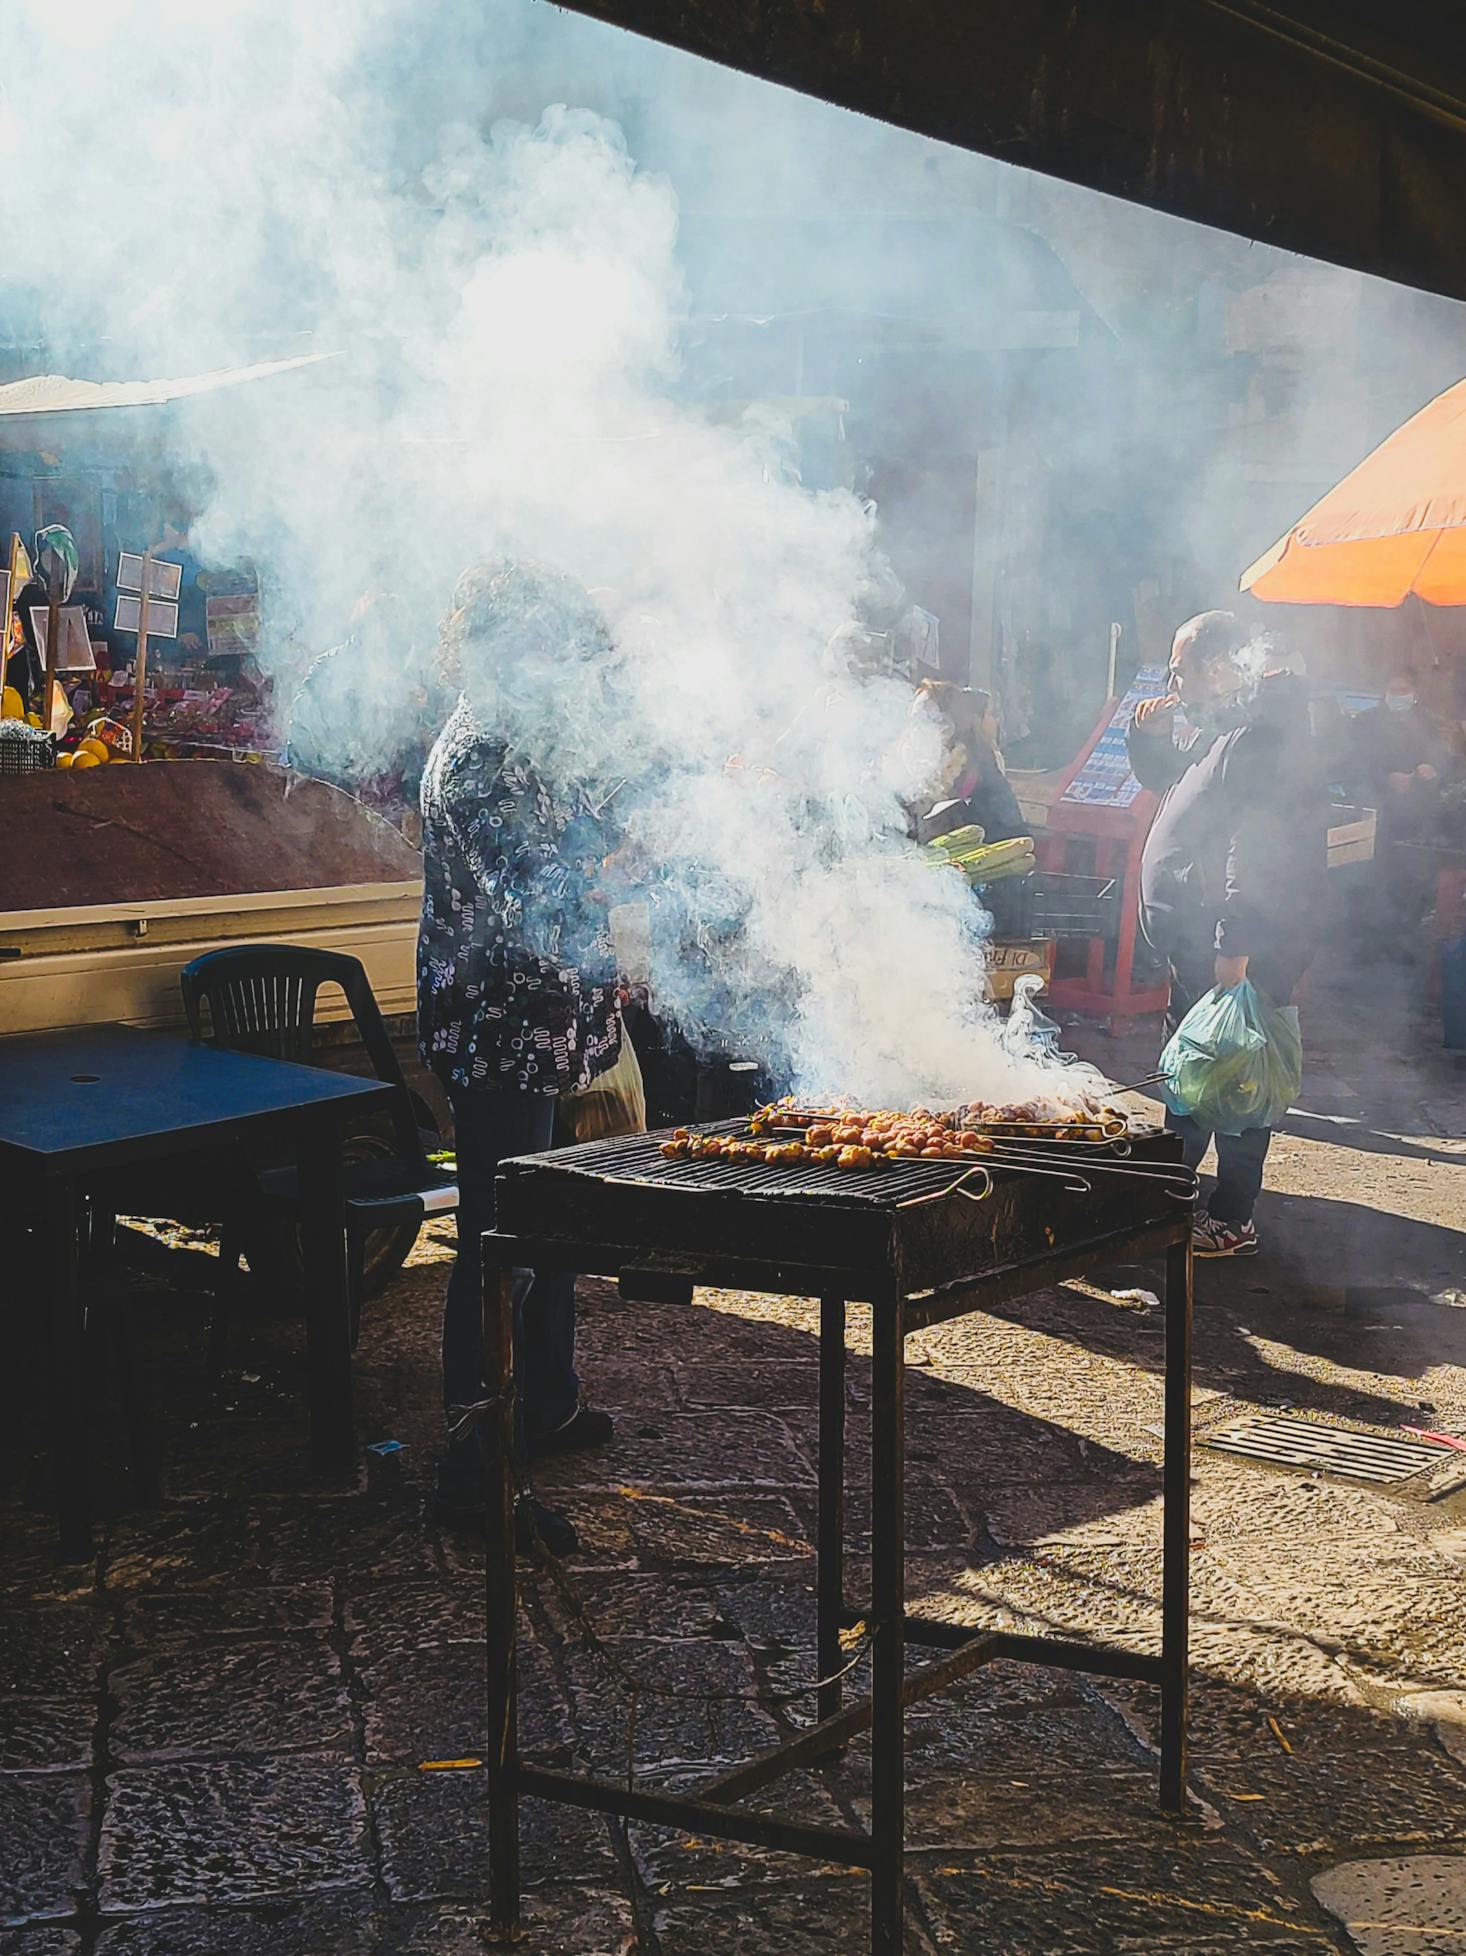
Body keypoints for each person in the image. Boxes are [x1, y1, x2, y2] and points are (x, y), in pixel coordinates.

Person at [418, 561, 624, 1553]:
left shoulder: (523, 738)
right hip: (498, 1033)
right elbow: (535, 906)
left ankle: (545, 1405)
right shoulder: (485, 759)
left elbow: (581, 832)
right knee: (501, 1252)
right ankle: (473, 1472)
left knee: (548, 1234)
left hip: (540, 1029)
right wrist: (636, 906)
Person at [1128, 610, 1327, 1257]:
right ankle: (1167, 1200)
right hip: (1200, 947)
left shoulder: (1260, 735)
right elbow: (1179, 791)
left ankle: (1232, 1216)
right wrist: (1149, 743)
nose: (1172, 681)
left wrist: (1232, 946)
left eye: (1179, 669)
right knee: (1192, 1076)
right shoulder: (1221, 729)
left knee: (1239, 1082)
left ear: (1217, 668)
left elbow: (1257, 849)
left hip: (1238, 951)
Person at [287, 593, 441, 832]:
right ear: (362, 638)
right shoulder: (328, 678)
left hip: (390, 817)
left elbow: (416, 759)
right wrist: (346, 803)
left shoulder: (411, 677)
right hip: (332, 812)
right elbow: (306, 754)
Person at [1349, 670, 1450, 946]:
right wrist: (1385, 779)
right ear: (1385, 691)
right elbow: (1354, 765)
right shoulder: (1366, 723)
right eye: (1395, 688)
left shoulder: (1425, 722)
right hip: (1381, 812)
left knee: (1415, 877)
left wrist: (1433, 769)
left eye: (1405, 689)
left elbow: (1442, 757)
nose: (1400, 695)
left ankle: (1410, 932)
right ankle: (1375, 938)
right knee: (1380, 877)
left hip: (1417, 815)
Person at [906, 680, 1026, 846]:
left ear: (950, 728)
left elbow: (1013, 835)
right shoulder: (903, 778)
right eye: (914, 722)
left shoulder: (983, 773)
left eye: (925, 722)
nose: (914, 732)